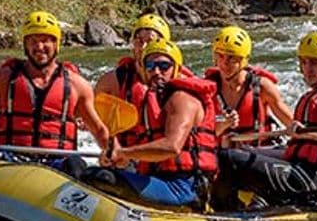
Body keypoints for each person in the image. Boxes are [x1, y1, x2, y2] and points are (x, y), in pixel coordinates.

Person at [214, 31, 317, 209]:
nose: (308, 69)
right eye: (304, 62)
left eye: (314, 63)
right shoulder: (312, 95)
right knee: (240, 150)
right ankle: (259, 202)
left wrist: (308, 134)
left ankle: (225, 213)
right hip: (303, 168)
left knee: (226, 157)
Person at [0, 12, 116, 163]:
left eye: (45, 40)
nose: (39, 46)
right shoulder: (3, 78)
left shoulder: (78, 85)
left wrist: (111, 153)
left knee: (76, 165)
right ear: (25, 45)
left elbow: (99, 131)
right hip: (10, 159)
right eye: (33, 41)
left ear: (56, 44)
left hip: (59, 162)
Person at [91, 39, 220, 208]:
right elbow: (140, 148)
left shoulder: (182, 99)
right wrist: (117, 158)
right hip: (158, 179)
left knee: (100, 178)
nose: (157, 72)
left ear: (177, 69)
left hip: (183, 187)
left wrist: (124, 153)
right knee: (91, 174)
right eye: (150, 66)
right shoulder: (150, 102)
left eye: (164, 66)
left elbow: (171, 147)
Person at [205, 25, 293, 146]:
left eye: (232, 58)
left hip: (255, 155)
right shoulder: (207, 89)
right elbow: (201, 133)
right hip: (220, 154)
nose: (224, 63)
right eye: (220, 56)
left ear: (244, 60)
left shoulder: (263, 87)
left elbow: (292, 124)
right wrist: (222, 124)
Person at [95, 13, 190, 104]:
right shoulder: (112, 81)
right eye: (139, 41)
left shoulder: (182, 86)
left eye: (150, 41)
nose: (143, 47)